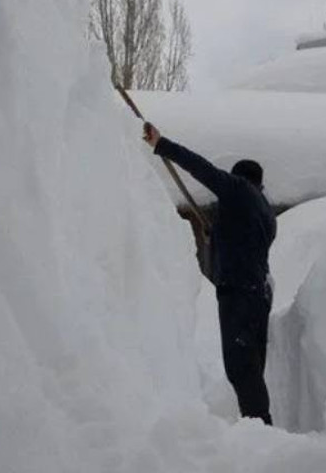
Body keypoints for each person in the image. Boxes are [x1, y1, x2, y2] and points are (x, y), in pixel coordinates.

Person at [142, 121, 276, 425]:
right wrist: (216, 235)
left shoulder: (237, 189)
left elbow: (200, 168)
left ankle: (260, 428)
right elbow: (245, 242)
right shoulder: (265, 211)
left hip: (238, 293)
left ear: (239, 178)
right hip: (258, 294)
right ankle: (259, 424)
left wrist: (161, 145)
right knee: (252, 365)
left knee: (240, 366)